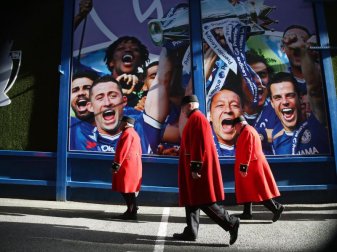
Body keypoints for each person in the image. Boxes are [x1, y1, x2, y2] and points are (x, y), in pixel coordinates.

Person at [173, 95, 240, 245]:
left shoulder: (197, 118)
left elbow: (198, 144)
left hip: (197, 169)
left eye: (183, 107)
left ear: (189, 106)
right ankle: (191, 231)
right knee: (192, 200)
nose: (182, 111)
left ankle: (231, 222)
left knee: (203, 200)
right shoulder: (196, 118)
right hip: (193, 167)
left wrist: (195, 167)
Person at [232, 115, 284, 221]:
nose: (235, 129)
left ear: (239, 124)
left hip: (252, 167)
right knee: (248, 190)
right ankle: (247, 213)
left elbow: (248, 150)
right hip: (253, 165)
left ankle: (276, 208)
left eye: (235, 127)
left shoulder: (247, 131)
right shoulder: (249, 129)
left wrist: (243, 167)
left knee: (258, 191)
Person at [268, 72, 330, 155]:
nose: (284, 102)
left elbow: (313, 84)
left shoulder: (317, 121)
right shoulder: (276, 138)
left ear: (300, 98)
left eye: (290, 95)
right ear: (272, 103)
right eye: (277, 98)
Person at [104, 36, 150, 108]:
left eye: (135, 49)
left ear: (141, 62)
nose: (128, 50)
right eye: (121, 48)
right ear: (111, 62)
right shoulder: (98, 87)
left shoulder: (149, 91)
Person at [111, 116, 142, 220]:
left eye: (121, 122)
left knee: (126, 189)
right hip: (133, 165)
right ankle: (132, 209)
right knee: (129, 189)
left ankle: (131, 211)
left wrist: (116, 165)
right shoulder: (134, 133)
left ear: (126, 123)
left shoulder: (127, 133)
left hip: (127, 166)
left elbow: (122, 151)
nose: (119, 124)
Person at [69, 71, 99, 150]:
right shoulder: (66, 128)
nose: (81, 93)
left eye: (87, 88)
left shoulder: (118, 126)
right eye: (75, 90)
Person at [209, 88, 243, 156]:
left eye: (234, 105)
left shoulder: (254, 150)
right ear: (210, 116)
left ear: (242, 114)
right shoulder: (199, 150)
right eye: (220, 105)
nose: (228, 110)